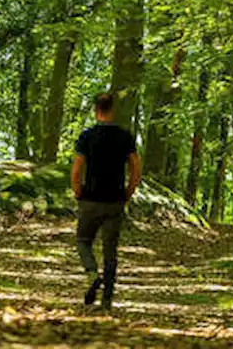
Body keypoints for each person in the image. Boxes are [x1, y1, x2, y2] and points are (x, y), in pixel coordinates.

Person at [70, 92, 142, 310]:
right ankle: (107, 300)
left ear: (96, 110)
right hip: (114, 201)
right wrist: (128, 191)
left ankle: (92, 274)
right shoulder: (124, 136)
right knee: (111, 251)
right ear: (113, 110)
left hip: (90, 199)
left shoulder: (87, 136)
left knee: (83, 242)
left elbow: (76, 170)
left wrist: (77, 191)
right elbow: (136, 168)